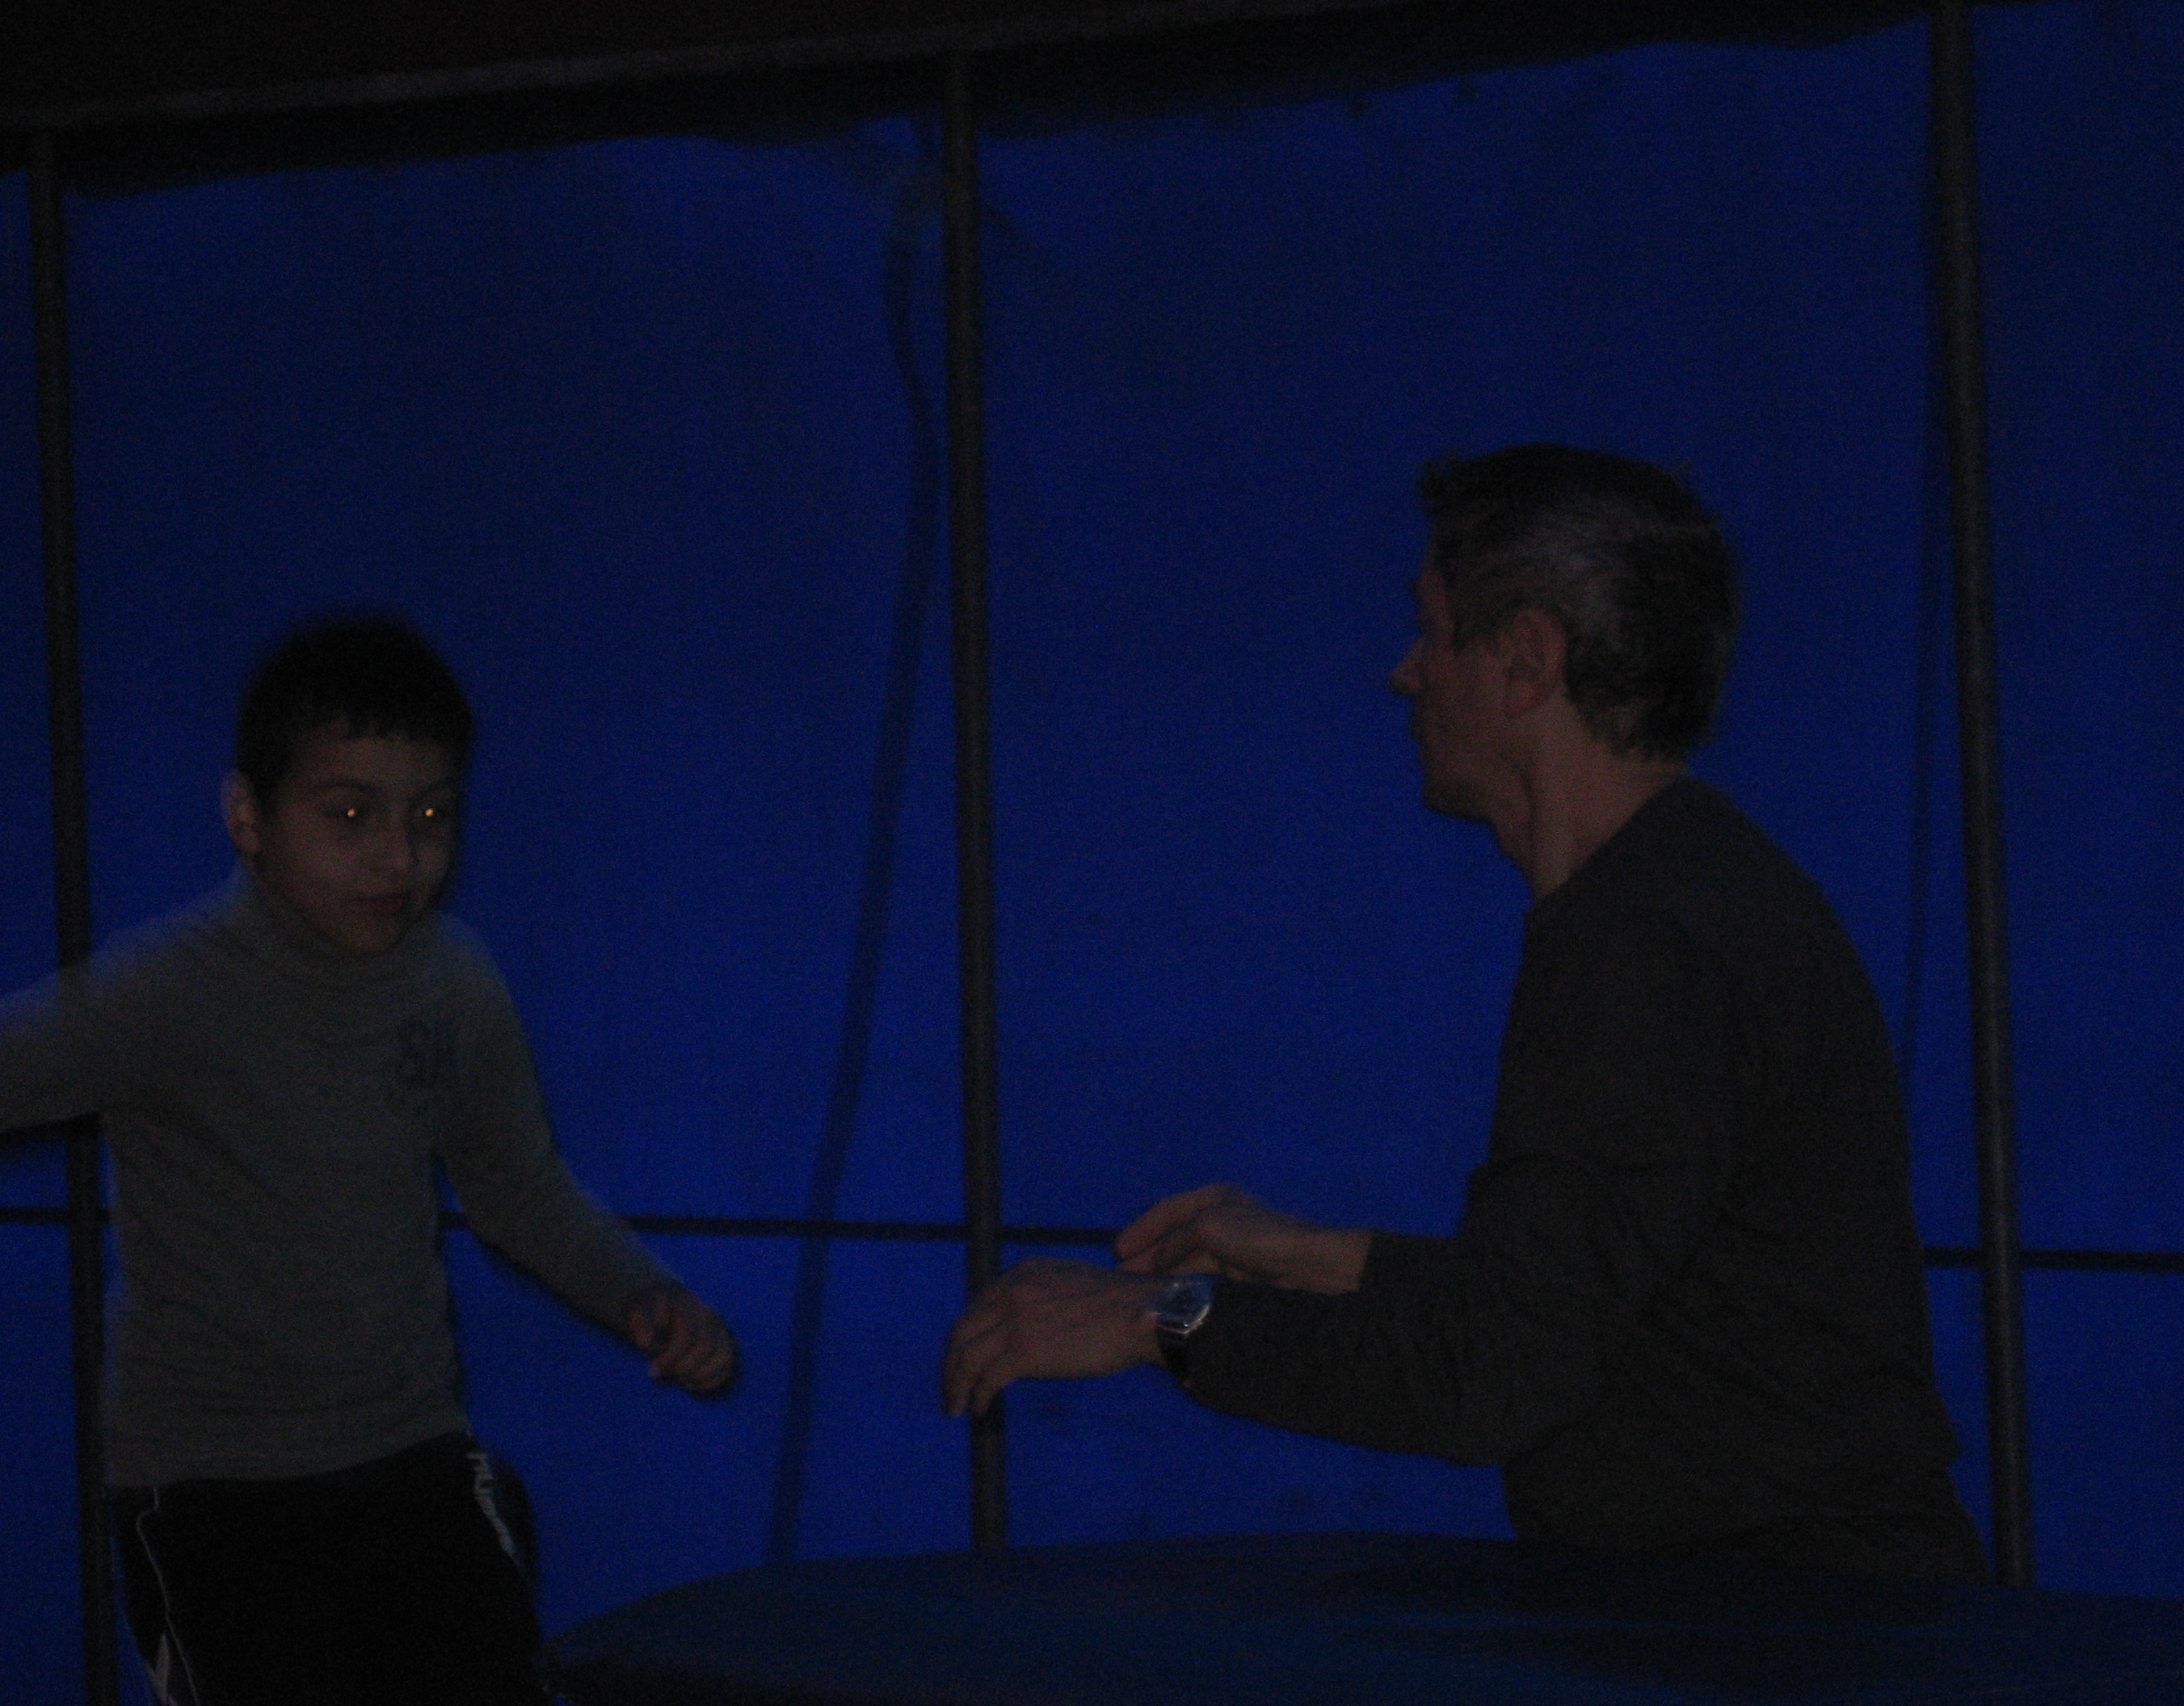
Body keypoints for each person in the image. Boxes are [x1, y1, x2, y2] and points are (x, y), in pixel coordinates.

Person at [942, 444, 1985, 1582]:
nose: (1406, 674)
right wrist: (1319, 1258)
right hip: (1789, 1610)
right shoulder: (1687, 893)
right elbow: (1587, 1304)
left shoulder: (1646, 940)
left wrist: (1157, 1321)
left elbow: (1491, 1372)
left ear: (1528, 659)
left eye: (1432, 630)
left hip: (1783, 1625)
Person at [1, 616, 739, 1704]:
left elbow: (519, 1187)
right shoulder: (168, 989)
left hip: (410, 1460)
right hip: (213, 1492)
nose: (400, 858)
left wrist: (642, 1291)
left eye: (431, 816)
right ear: (248, 818)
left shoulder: (451, 982)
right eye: (349, 815)